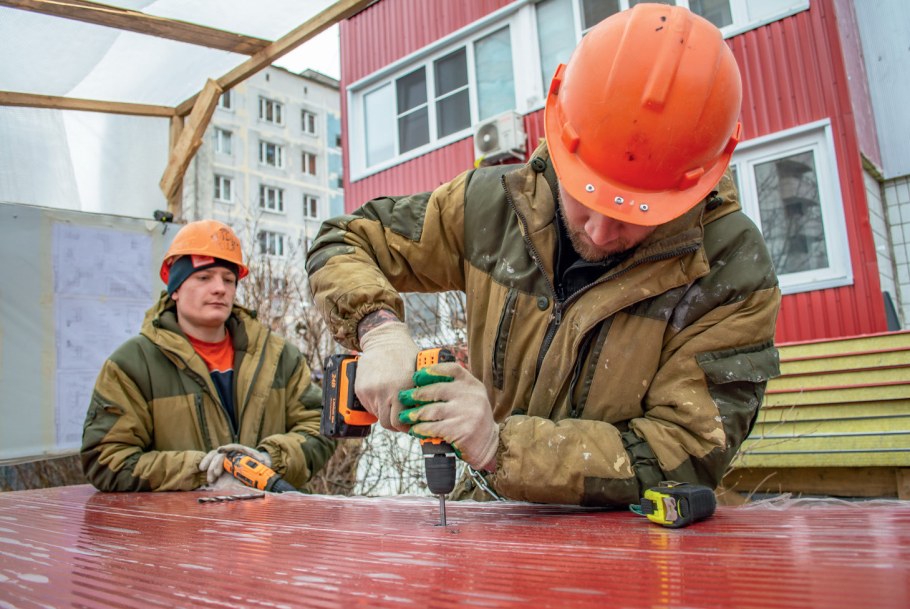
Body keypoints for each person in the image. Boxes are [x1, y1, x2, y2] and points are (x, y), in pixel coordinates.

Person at [306, 4, 781, 506]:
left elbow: (686, 450)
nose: (599, 232)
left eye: (636, 213)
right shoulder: (491, 206)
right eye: (586, 195)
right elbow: (346, 237)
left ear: (692, 185)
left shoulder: (729, 268)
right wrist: (378, 329)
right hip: (490, 521)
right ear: (561, 142)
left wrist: (500, 445)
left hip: (633, 548)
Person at [82, 220, 335, 491]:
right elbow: (106, 458)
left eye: (228, 280)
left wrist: (267, 459)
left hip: (269, 524)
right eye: (204, 277)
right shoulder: (133, 364)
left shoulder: (279, 357)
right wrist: (203, 471)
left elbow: (321, 426)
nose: (220, 288)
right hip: (181, 529)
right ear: (175, 289)